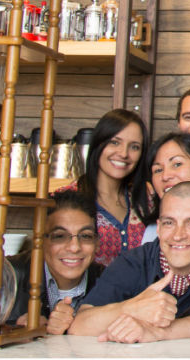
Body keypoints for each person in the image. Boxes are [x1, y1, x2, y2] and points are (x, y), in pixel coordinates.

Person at [71, 182, 190, 343]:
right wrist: (132, 308)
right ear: (159, 227)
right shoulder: (133, 262)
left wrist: (157, 332)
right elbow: (80, 325)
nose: (178, 235)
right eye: (169, 223)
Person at [57, 109, 148, 266]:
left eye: (134, 147)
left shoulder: (146, 200)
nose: (124, 154)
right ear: (98, 144)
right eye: (115, 142)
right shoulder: (68, 200)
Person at [6, 193, 104, 334]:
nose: (74, 247)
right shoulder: (8, 275)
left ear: (97, 243)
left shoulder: (110, 283)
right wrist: (14, 328)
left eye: (85, 236)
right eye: (59, 236)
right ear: (39, 241)